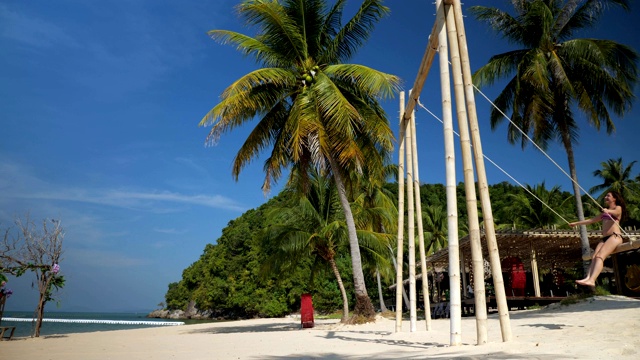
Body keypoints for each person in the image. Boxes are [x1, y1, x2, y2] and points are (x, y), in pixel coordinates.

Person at [569, 191, 627, 288]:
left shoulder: (617, 208)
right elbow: (591, 220)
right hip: (604, 238)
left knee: (600, 256)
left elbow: (616, 212)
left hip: (614, 236)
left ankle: (592, 280)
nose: (605, 197)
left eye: (608, 196)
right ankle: (588, 278)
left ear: (614, 198)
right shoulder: (605, 212)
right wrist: (576, 223)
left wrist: (608, 211)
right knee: (594, 256)